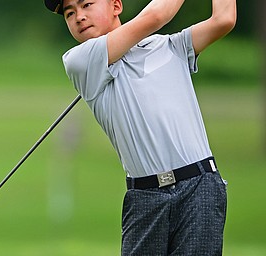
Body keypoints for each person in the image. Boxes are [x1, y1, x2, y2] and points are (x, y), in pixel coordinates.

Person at [44, 0, 237, 255]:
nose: (79, 16)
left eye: (87, 4)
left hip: (199, 187)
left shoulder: (170, 45)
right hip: (145, 198)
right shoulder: (80, 61)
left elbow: (223, 19)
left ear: (116, 5)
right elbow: (156, 15)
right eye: (70, 13)